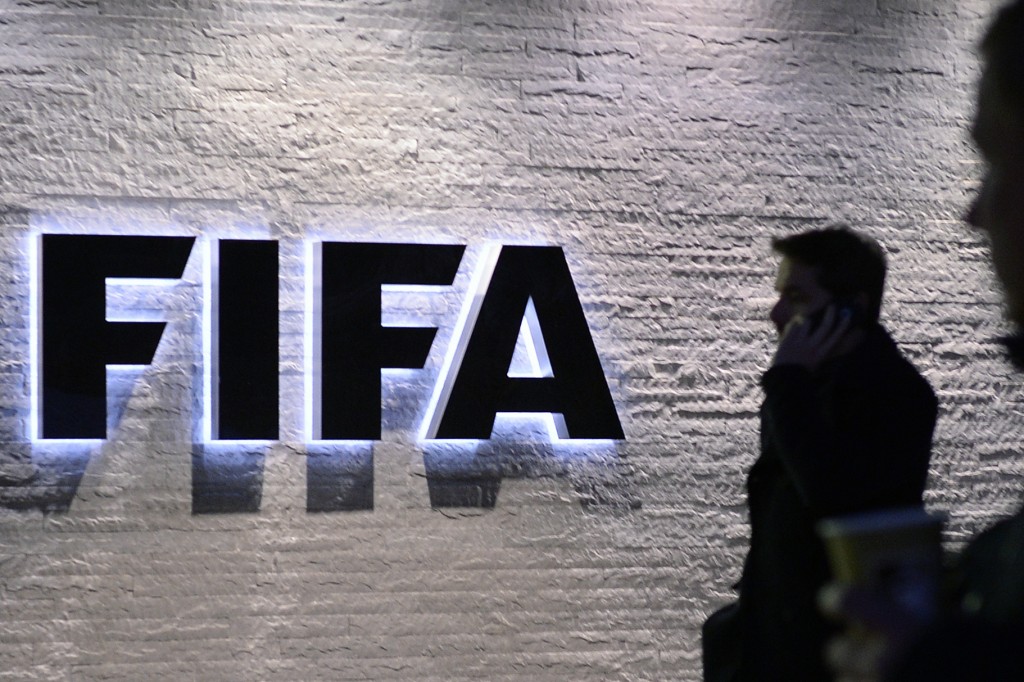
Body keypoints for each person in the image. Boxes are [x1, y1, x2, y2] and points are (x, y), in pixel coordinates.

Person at [820, 2, 1024, 680]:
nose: (974, 214)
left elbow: (831, 491)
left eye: (995, 162)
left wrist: (941, 664)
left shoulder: (894, 388)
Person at [702, 227, 939, 681]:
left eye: (797, 297)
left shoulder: (896, 394)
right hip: (776, 643)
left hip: (835, 654)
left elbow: (830, 491)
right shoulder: (804, 387)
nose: (777, 314)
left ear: (852, 308)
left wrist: (789, 382)